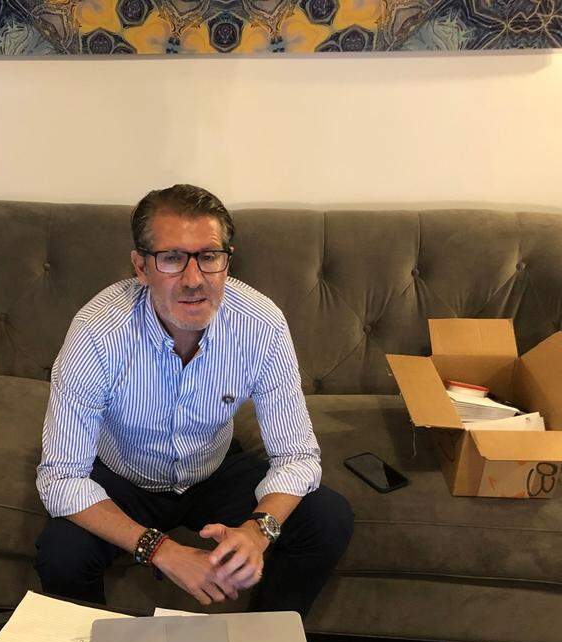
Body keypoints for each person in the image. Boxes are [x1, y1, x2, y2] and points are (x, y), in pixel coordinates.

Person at [34, 184, 354, 612]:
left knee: (328, 518)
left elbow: (298, 456)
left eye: (208, 256)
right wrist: (161, 550)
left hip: (212, 469)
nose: (193, 280)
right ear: (141, 267)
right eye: (170, 258)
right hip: (125, 475)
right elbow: (60, 478)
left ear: (226, 260)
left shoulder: (261, 324)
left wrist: (257, 531)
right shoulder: (97, 332)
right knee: (62, 550)